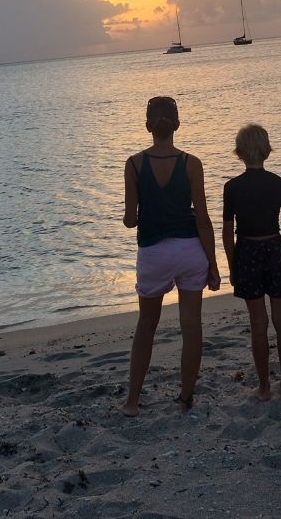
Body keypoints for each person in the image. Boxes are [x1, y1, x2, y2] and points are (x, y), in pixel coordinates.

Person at [120, 96, 221, 416]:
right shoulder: (192, 163)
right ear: (176, 124)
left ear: (148, 125)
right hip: (190, 249)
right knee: (191, 326)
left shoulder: (134, 164)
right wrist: (214, 265)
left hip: (153, 253)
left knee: (147, 324)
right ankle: (185, 398)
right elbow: (203, 219)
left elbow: (130, 219)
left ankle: (133, 401)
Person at [222, 124, 281, 401]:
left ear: (240, 152)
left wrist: (232, 266)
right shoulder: (279, 183)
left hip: (247, 250)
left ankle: (265, 387)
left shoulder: (232, 187)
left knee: (258, 321)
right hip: (274, 247)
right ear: (266, 150)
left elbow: (227, 232)